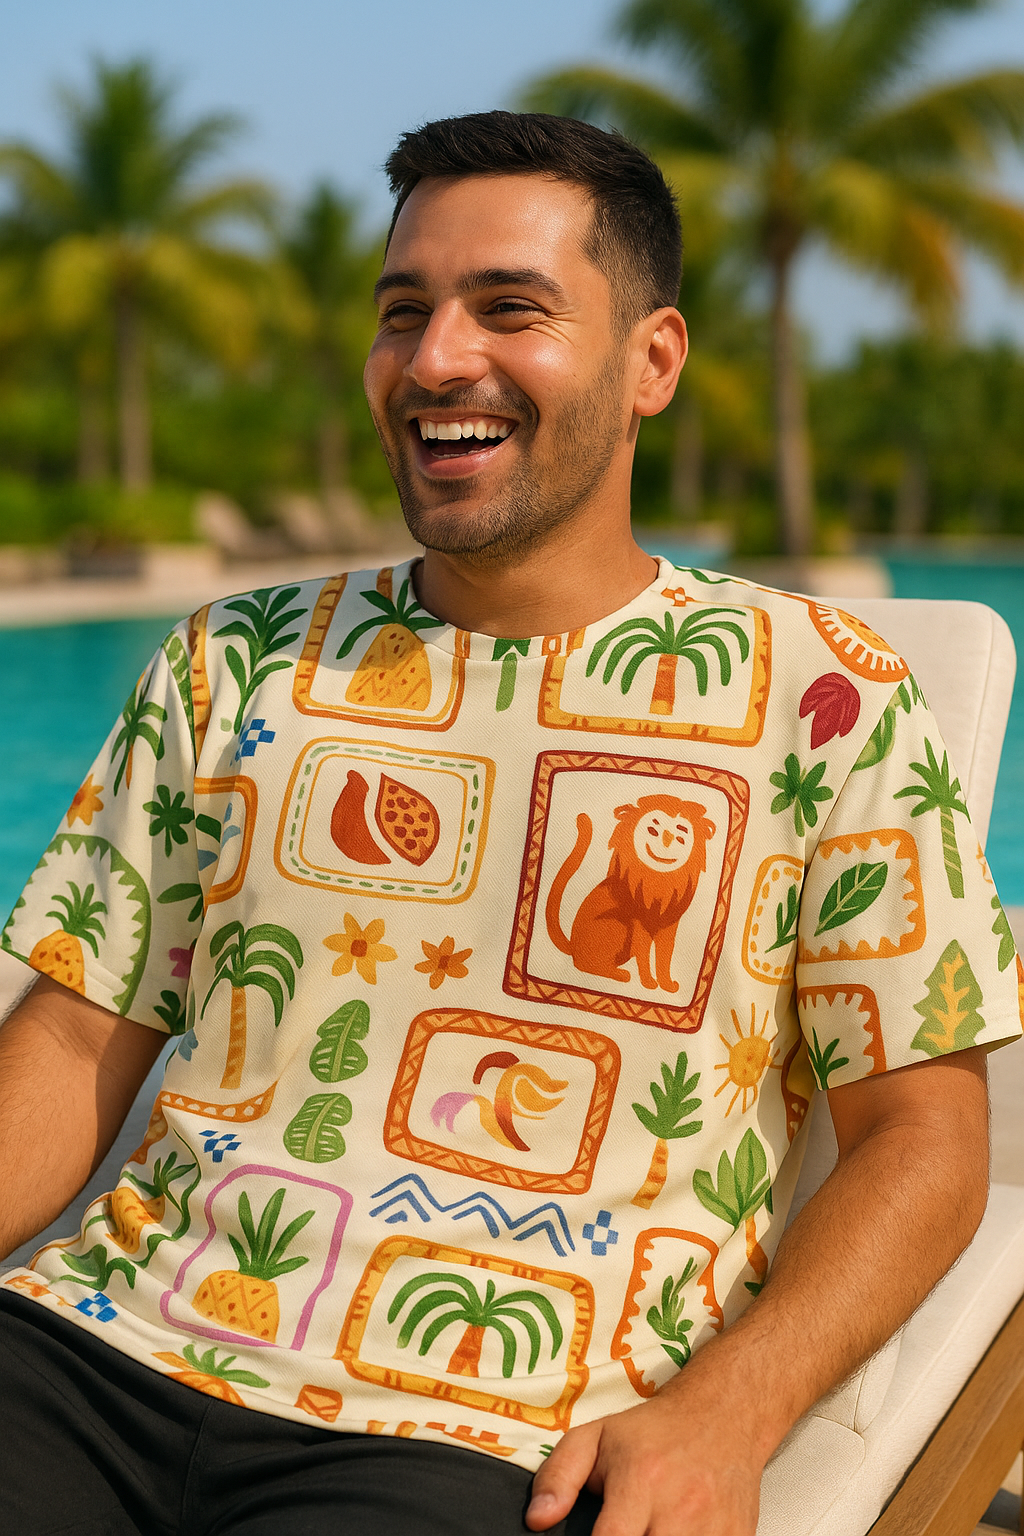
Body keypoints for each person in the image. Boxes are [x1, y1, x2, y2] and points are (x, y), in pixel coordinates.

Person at [0, 111, 1020, 1536]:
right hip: (83, 1352)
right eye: (403, 312)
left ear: (653, 360)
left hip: (482, 1434)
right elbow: (65, 1042)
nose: (435, 361)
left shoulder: (829, 700)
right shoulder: (234, 659)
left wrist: (729, 1407)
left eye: (510, 309)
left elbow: (926, 1135)